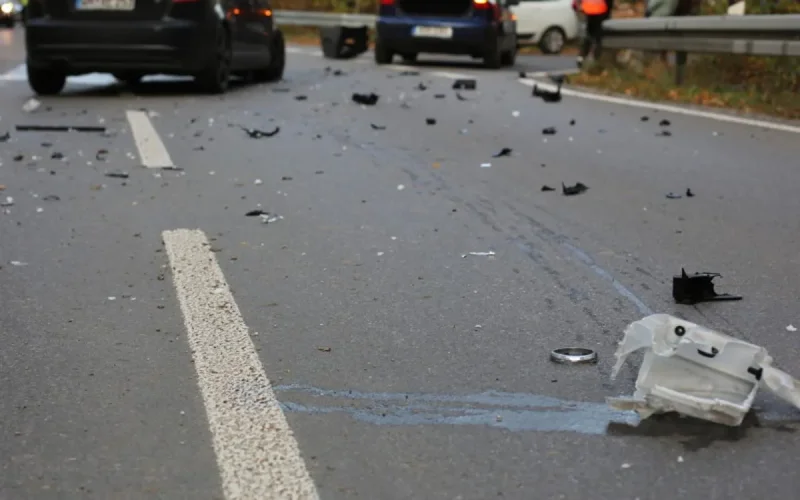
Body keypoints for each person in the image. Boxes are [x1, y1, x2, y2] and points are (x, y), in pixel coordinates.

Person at [577, 0, 614, 67]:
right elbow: (609, 3)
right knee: (598, 37)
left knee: (588, 34)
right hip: (600, 11)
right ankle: (596, 58)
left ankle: (581, 57)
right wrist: (608, 14)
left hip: (589, 9)